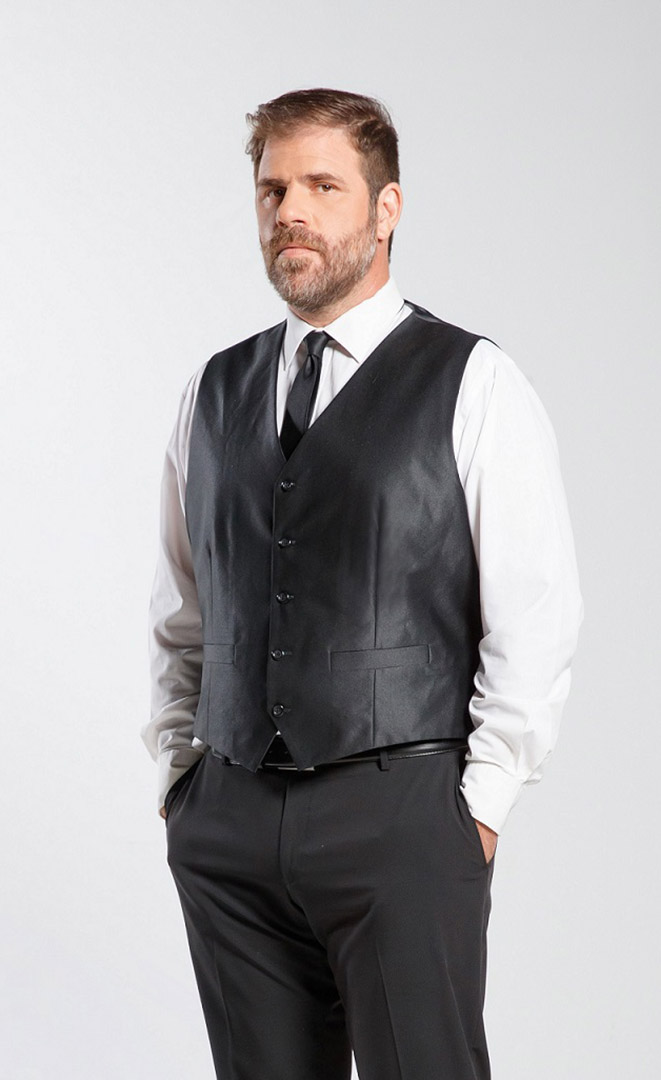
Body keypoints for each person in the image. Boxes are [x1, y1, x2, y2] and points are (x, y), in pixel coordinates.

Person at [142, 88, 584, 1080]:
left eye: (322, 186)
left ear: (386, 209)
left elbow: (535, 614)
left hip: (402, 817)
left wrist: (475, 811)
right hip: (229, 821)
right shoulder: (211, 390)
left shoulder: (473, 381)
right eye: (273, 190)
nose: (290, 212)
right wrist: (182, 779)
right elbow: (184, 608)